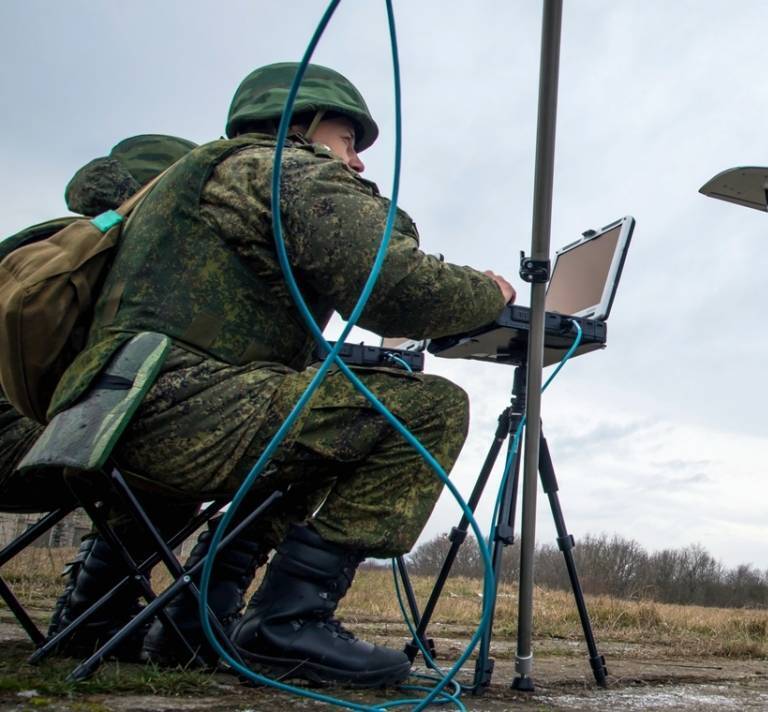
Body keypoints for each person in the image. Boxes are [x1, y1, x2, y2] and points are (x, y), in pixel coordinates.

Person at [45, 62, 515, 687]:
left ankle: (187, 620)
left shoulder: (192, 183)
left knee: (314, 433)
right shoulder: (276, 167)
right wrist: (489, 294)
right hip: (174, 412)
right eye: (349, 142)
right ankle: (287, 622)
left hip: (101, 418)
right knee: (428, 407)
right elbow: (394, 286)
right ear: (305, 124)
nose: (356, 163)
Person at [0, 134, 198, 660]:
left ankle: (99, 609)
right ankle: (97, 612)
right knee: (172, 438)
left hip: (31, 439)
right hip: (20, 444)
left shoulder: (49, 243)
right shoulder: (106, 262)